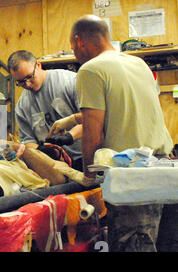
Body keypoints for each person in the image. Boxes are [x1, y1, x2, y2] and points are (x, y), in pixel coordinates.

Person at [69, 15, 174, 252]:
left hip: (135, 179)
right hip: (165, 169)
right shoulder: (138, 64)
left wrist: (88, 177)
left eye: (72, 47)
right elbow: (132, 109)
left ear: (79, 41)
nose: (74, 52)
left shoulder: (90, 70)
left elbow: (92, 133)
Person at [7, 50, 83, 171]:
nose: (27, 84)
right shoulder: (22, 106)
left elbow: (90, 120)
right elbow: (28, 141)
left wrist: (70, 137)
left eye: (29, 77)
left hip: (87, 157)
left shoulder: (69, 82)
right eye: (20, 82)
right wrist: (41, 150)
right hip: (57, 166)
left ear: (38, 65)